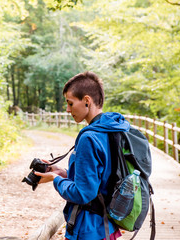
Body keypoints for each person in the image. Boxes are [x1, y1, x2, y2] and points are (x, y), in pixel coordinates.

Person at [35, 71, 129, 240]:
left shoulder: (89, 138)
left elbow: (83, 193)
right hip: (107, 227)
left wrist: (55, 180)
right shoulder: (113, 129)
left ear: (87, 101)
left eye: (70, 103)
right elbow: (100, 178)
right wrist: (61, 172)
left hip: (88, 230)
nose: (67, 109)